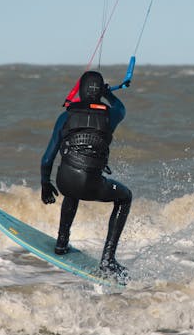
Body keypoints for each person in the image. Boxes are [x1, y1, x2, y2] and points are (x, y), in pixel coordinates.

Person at [40, 70, 132, 280]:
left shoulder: (66, 116)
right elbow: (121, 108)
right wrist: (109, 94)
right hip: (93, 184)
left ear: (80, 92)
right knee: (125, 197)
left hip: (65, 182)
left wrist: (45, 184)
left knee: (72, 189)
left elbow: (47, 159)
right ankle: (108, 260)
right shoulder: (111, 115)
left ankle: (62, 243)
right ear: (100, 92)